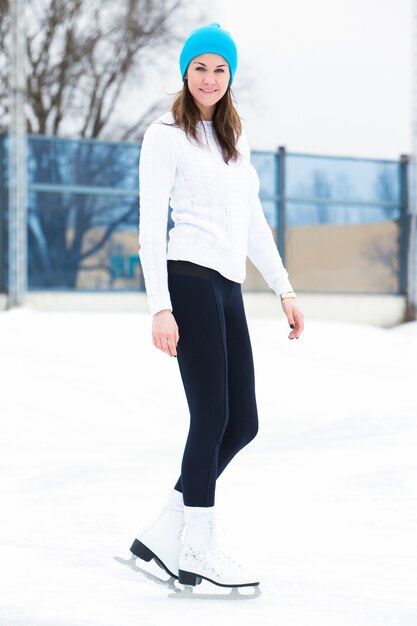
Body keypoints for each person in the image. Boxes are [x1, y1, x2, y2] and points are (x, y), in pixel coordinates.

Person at [130, 23, 304, 589]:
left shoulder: (233, 138)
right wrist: (160, 306)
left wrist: (284, 288)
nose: (209, 78)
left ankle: (166, 530)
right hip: (187, 278)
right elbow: (150, 228)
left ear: (230, 77)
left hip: (227, 286)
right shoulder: (165, 135)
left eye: (220, 69)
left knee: (243, 421)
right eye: (200, 67)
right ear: (185, 72)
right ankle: (196, 548)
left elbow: (253, 221)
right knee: (210, 415)